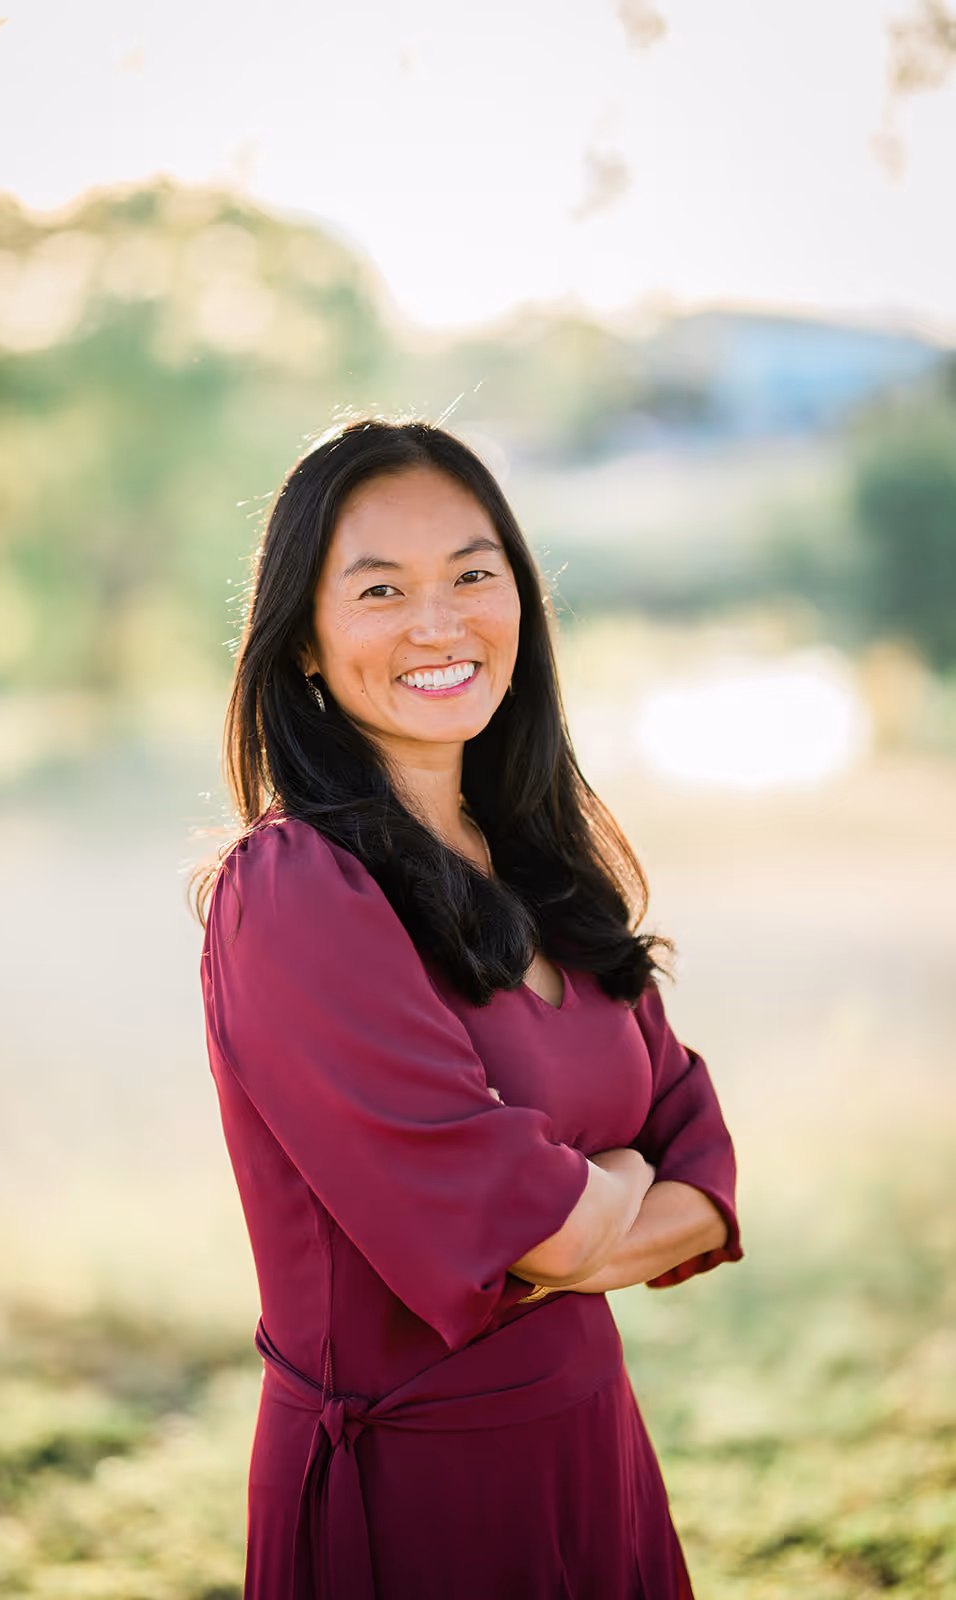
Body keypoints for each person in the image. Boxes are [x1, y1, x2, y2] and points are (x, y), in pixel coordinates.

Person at [196, 417, 743, 1600]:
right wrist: (608, 1193)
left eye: (471, 574)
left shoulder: (539, 866)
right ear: (301, 641)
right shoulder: (294, 893)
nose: (438, 624)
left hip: (592, 1450)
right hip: (415, 1497)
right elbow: (555, 1228)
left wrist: (597, 1202)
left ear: (521, 599)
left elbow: (703, 1166)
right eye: (382, 588)